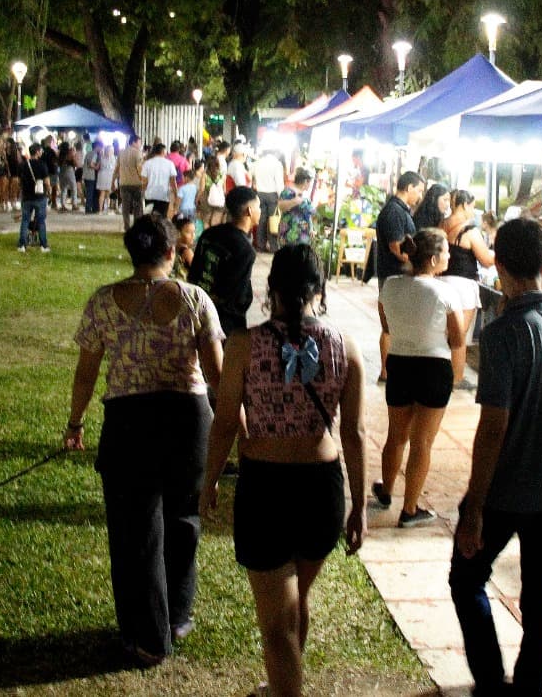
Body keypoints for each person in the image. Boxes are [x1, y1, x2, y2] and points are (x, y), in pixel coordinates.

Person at [202, 244, 366, 697]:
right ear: (319, 289)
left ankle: (284, 689)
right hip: (323, 490)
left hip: (266, 489)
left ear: (270, 289)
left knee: (276, 626)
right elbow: (353, 433)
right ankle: (281, 685)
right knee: (296, 603)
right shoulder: (344, 346)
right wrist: (359, 508)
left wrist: (210, 480)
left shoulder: (243, 345)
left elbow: (224, 425)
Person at [64, 215, 225, 666]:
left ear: (130, 253)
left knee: (135, 529)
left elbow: (86, 372)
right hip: (188, 419)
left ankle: (148, 635)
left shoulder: (102, 302)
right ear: (172, 253)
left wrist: (75, 423)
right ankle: (176, 615)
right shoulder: (196, 300)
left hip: (129, 421)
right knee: (182, 518)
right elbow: (216, 374)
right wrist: (237, 425)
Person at [448, 218, 542, 696]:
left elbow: (493, 428)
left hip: (507, 489)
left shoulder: (504, 333)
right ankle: (528, 686)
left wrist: (474, 505)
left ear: (502, 267)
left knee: (467, 576)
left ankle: (491, 682)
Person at [371, 227, 469, 526]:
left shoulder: (390, 286)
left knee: (396, 436)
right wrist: (456, 375)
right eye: (447, 252)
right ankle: (410, 509)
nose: (450, 256)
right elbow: (457, 339)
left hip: (399, 364)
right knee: (422, 443)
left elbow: (386, 326)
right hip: (433, 368)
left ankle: (386, 492)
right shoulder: (446, 293)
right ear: (435, 257)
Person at [374, 171, 425, 381]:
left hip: (396, 276)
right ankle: (386, 372)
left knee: (395, 325)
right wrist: (417, 263)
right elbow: (396, 247)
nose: (420, 196)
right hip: (393, 275)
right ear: (409, 187)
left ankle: (392, 370)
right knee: (390, 326)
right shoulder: (394, 212)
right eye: (419, 190)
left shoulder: (399, 210)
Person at [189, 186, 259, 336]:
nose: (260, 211)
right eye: (258, 207)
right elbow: (232, 295)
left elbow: (194, 273)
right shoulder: (245, 250)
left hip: (197, 309)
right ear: (249, 211)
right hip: (224, 323)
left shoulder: (209, 234)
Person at [16, 143, 51, 253]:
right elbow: (47, 181)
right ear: (36, 152)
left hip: (26, 196)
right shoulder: (42, 165)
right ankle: (43, 245)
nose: (41, 152)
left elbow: (18, 181)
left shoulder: (23, 165)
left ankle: (22, 245)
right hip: (40, 197)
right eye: (40, 150)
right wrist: (49, 190)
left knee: (25, 221)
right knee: (41, 221)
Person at [252, 150, 285, 252]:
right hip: (273, 195)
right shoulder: (277, 164)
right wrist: (281, 196)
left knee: (261, 221)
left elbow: (254, 178)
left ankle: (260, 246)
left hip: (260, 193)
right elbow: (279, 182)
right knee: (273, 221)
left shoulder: (258, 162)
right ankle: (273, 247)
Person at [277, 167, 315, 246]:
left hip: (303, 232)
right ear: (305, 181)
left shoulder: (305, 194)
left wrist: (311, 228)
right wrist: (294, 201)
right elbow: (281, 207)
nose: (310, 185)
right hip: (289, 230)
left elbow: (308, 214)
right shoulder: (288, 191)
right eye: (309, 183)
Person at [140, 141, 179, 218]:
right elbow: (173, 181)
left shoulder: (147, 163)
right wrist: (176, 194)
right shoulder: (170, 164)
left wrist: (142, 192)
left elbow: (144, 181)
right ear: (164, 152)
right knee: (162, 218)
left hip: (150, 195)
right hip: (164, 196)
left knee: (149, 218)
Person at [118, 135, 145, 229]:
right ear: (133, 142)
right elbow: (139, 168)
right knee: (138, 206)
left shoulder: (121, 153)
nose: (140, 144)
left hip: (123, 183)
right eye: (139, 142)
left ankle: (126, 226)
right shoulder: (138, 153)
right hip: (136, 183)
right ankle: (137, 227)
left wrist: (113, 180)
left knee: (125, 206)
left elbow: (117, 168)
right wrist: (143, 180)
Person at [198, 154, 227, 229]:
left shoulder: (204, 175)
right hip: (219, 200)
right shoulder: (222, 175)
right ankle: (216, 239)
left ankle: (208, 239)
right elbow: (224, 190)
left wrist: (197, 199)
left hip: (206, 199)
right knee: (215, 222)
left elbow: (202, 189)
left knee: (206, 222)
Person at [171, 214, 196, 280]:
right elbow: (197, 270)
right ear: (178, 233)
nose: (193, 236)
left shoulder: (172, 247)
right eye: (189, 232)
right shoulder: (187, 252)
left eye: (194, 232)